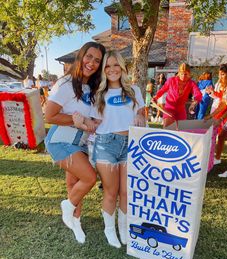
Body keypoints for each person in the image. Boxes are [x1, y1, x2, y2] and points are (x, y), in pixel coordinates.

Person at [44, 42, 106, 244]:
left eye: (97, 60)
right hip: (60, 141)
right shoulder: (66, 83)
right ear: (81, 57)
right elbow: (49, 115)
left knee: (73, 183)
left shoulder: (92, 87)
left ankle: (75, 222)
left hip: (80, 143)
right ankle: (67, 206)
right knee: (88, 178)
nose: (92, 63)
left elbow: (89, 117)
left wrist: (93, 122)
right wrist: (77, 121)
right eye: (89, 57)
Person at [90, 50, 146, 248]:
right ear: (104, 70)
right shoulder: (99, 93)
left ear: (122, 68)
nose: (112, 69)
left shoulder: (134, 90)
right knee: (111, 192)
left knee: (126, 192)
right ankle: (109, 230)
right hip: (106, 144)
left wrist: (140, 116)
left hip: (130, 144)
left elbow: (141, 112)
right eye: (108, 66)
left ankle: (123, 228)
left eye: (116, 65)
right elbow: (94, 121)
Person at [204, 63, 227, 165]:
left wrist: (220, 119)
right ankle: (217, 159)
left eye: (222, 74)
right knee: (221, 137)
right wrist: (211, 115)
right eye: (219, 74)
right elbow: (222, 105)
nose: (220, 76)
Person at [152, 63, 202, 127]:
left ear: (189, 74)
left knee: (182, 132)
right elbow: (162, 90)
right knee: (167, 130)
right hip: (169, 109)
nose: (183, 76)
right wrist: (155, 97)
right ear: (179, 73)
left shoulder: (191, 83)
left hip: (181, 110)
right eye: (181, 74)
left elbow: (198, 94)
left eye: (186, 74)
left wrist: (193, 103)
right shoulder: (171, 80)